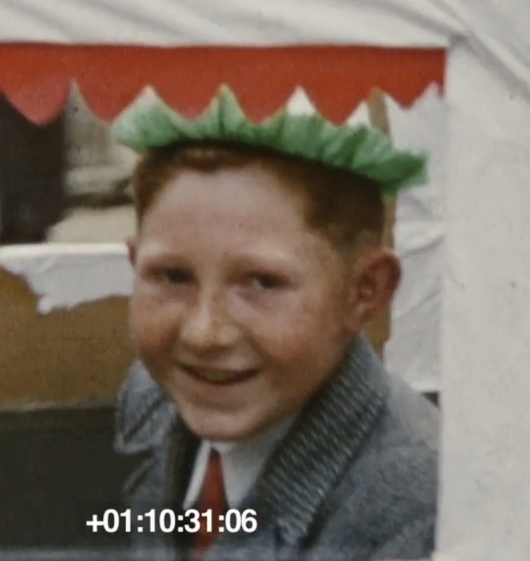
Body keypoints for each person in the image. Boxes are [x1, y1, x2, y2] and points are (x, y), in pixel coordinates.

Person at [110, 87, 439, 561]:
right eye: (173, 276)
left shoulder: (421, 518)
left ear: (364, 290)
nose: (203, 334)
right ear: (134, 263)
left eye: (262, 282)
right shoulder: (153, 397)